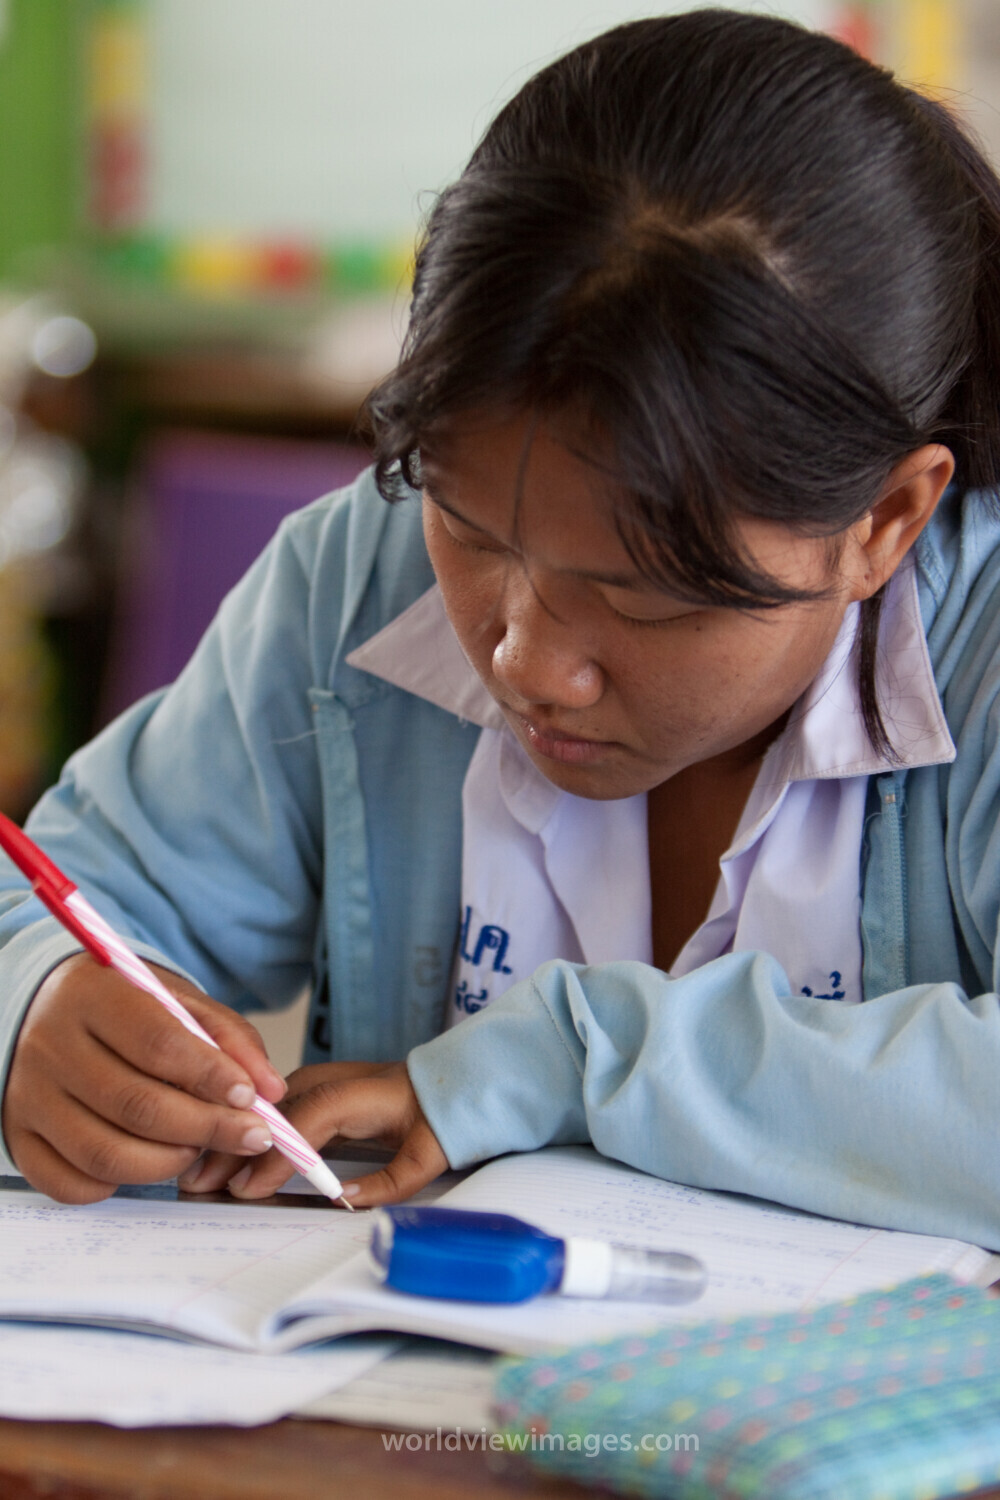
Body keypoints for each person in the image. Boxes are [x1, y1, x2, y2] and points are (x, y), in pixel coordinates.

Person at [4, 8, 1000, 1244]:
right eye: (469, 529)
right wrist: (38, 1006)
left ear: (886, 520)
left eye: (644, 594)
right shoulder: (356, 586)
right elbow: (62, 894)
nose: (525, 660)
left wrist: (564, 1058)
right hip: (380, 1417)